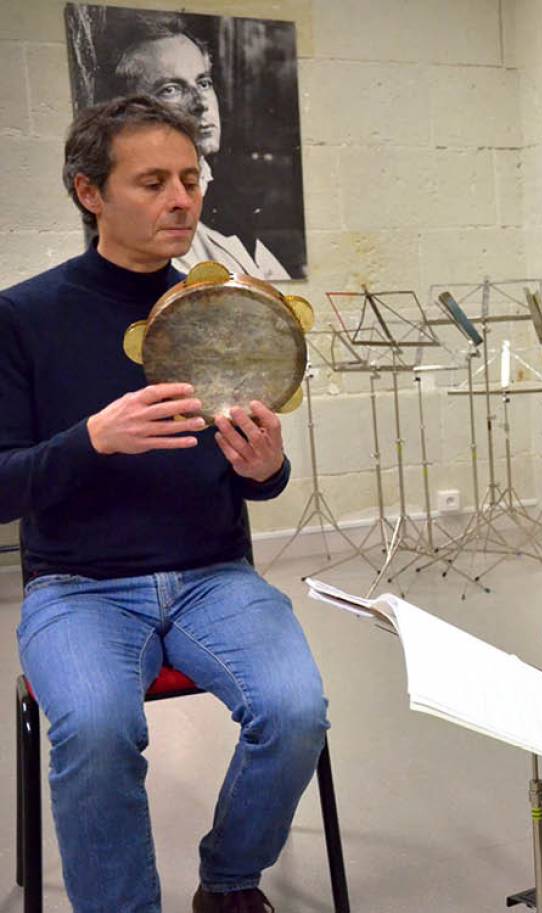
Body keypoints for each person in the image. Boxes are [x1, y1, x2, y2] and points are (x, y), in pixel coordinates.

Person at [0, 95, 328, 913]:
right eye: (152, 182)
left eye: (190, 178)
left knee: (296, 711)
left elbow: (256, 479)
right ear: (89, 193)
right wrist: (91, 441)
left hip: (215, 574)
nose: (182, 199)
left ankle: (227, 880)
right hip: (76, 585)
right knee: (98, 729)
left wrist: (267, 466)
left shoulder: (228, 313)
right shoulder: (23, 317)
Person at [91, 12, 291, 279]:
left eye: (204, 82)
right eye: (171, 89)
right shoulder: (146, 231)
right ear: (128, 108)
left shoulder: (225, 201)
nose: (201, 103)